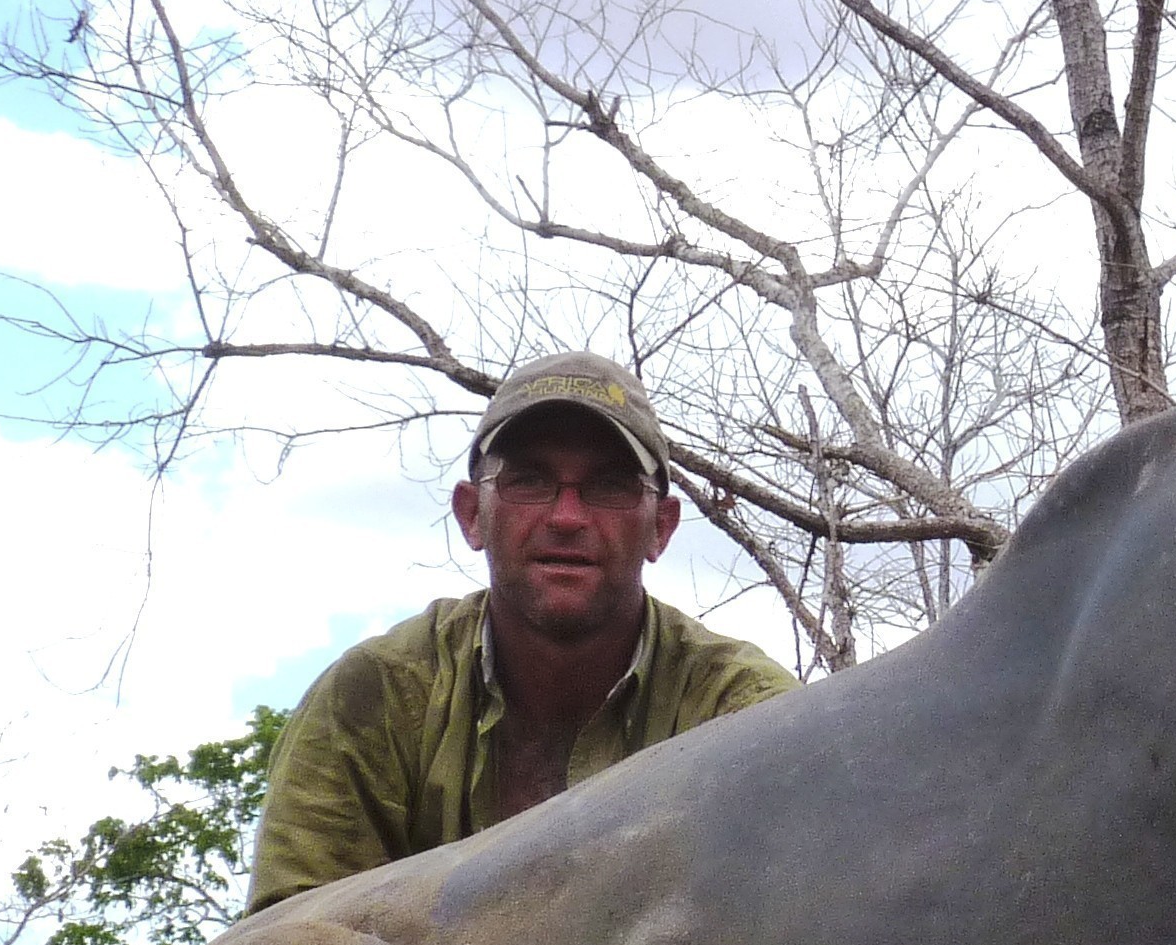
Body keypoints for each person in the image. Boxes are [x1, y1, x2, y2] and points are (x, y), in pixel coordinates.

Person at [248, 353, 798, 912]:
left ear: (661, 527)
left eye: (609, 486)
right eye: (528, 481)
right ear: (471, 515)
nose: (566, 516)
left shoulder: (747, 716)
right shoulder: (373, 697)